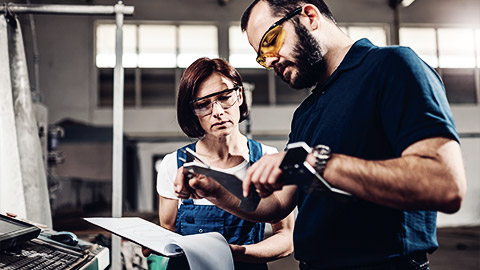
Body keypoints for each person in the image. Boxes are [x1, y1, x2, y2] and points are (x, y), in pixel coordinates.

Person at [174, 1, 467, 269]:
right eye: (262, 57)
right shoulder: (306, 113)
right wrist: (216, 189)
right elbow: (276, 203)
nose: (271, 60)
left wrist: (315, 162)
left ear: (310, 17)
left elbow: (445, 183)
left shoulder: (392, 66)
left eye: (271, 42)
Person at [154, 57, 294, 270]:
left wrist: (237, 253)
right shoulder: (173, 165)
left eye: (224, 97)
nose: (218, 112)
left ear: (239, 95)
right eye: (203, 105)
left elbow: (286, 237)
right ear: (193, 112)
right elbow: (168, 231)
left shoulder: (267, 159)